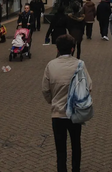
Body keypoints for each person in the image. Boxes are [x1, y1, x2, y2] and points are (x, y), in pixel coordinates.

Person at [42, 34, 92, 172]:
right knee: (76, 145)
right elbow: (89, 86)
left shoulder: (50, 65)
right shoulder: (80, 64)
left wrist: (53, 101)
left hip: (58, 114)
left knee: (60, 149)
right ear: (72, 49)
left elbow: (45, 89)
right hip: (75, 113)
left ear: (57, 48)